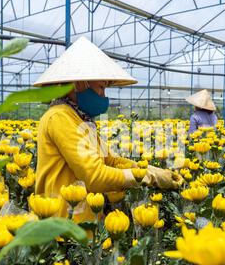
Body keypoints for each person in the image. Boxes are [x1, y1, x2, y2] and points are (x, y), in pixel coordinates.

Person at [34, 36, 182, 222]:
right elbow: (94, 176)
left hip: (82, 219)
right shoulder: (59, 117)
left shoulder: (81, 119)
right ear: (79, 84)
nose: (104, 96)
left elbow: (109, 160)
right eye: (101, 87)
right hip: (62, 226)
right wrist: (148, 177)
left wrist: (150, 170)